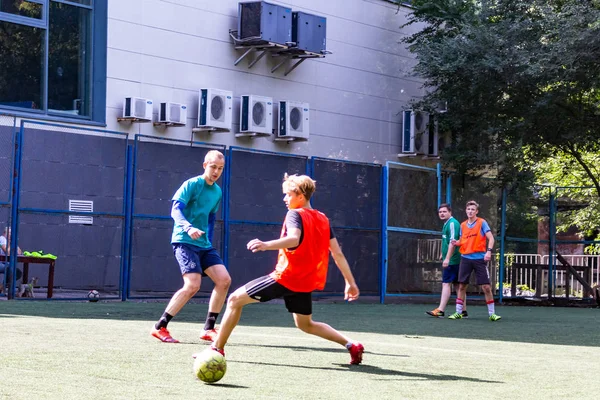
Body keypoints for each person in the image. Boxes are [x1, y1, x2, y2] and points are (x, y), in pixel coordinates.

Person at [203, 173, 365, 364]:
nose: (284, 199)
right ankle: (351, 345)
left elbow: (294, 239)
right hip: (304, 282)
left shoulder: (294, 214)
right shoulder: (323, 219)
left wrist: (265, 244)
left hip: (286, 277)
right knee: (305, 324)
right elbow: (337, 253)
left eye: (288, 195)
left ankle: (216, 349)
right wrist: (350, 282)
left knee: (234, 300)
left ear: (300, 197)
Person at [151, 150, 232, 343]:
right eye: (213, 167)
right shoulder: (192, 184)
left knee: (224, 280)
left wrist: (208, 240)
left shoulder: (217, 192)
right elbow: (175, 209)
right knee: (193, 285)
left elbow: (211, 218)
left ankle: (209, 328)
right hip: (184, 240)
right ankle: (160, 326)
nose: (216, 172)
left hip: (203, 245)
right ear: (205, 165)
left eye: (220, 169)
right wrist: (188, 228)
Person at [447, 200, 501, 321]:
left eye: (473, 210)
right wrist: (457, 243)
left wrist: (488, 251)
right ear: (466, 211)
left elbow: (491, 239)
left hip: (479, 259)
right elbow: (463, 241)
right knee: (461, 286)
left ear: (476, 211)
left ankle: (492, 314)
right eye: (468, 209)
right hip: (465, 258)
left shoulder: (482, 223)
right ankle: (458, 312)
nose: (470, 211)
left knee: (486, 287)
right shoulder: (462, 225)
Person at [426, 204, 467, 318]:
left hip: (454, 259)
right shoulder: (446, 224)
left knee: (446, 283)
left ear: (450, 212)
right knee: (458, 286)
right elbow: (447, 241)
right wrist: (442, 254)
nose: (442, 213)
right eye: (440, 212)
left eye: (444, 211)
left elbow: (453, 242)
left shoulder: (453, 223)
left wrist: (448, 258)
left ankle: (441, 310)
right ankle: (463, 312)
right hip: (453, 259)